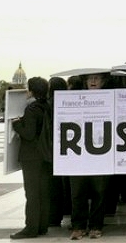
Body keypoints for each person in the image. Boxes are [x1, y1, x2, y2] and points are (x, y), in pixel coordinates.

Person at [69, 70, 113, 240]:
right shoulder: (74, 100)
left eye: (97, 79)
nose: (93, 81)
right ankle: (78, 226)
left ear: (103, 82)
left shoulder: (110, 99)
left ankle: (96, 225)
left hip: (101, 153)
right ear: (85, 82)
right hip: (78, 153)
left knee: (99, 192)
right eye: (90, 79)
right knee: (77, 192)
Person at [10, 77, 53, 239]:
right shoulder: (46, 106)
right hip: (45, 155)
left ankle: (31, 227)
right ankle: (42, 225)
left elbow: (28, 133)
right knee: (43, 191)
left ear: (32, 91)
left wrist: (16, 124)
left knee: (32, 193)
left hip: (31, 156)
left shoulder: (31, 109)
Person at [48, 76, 71, 228]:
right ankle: (66, 208)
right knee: (66, 183)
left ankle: (55, 216)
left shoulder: (50, 105)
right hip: (67, 147)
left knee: (55, 185)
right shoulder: (67, 104)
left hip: (54, 149)